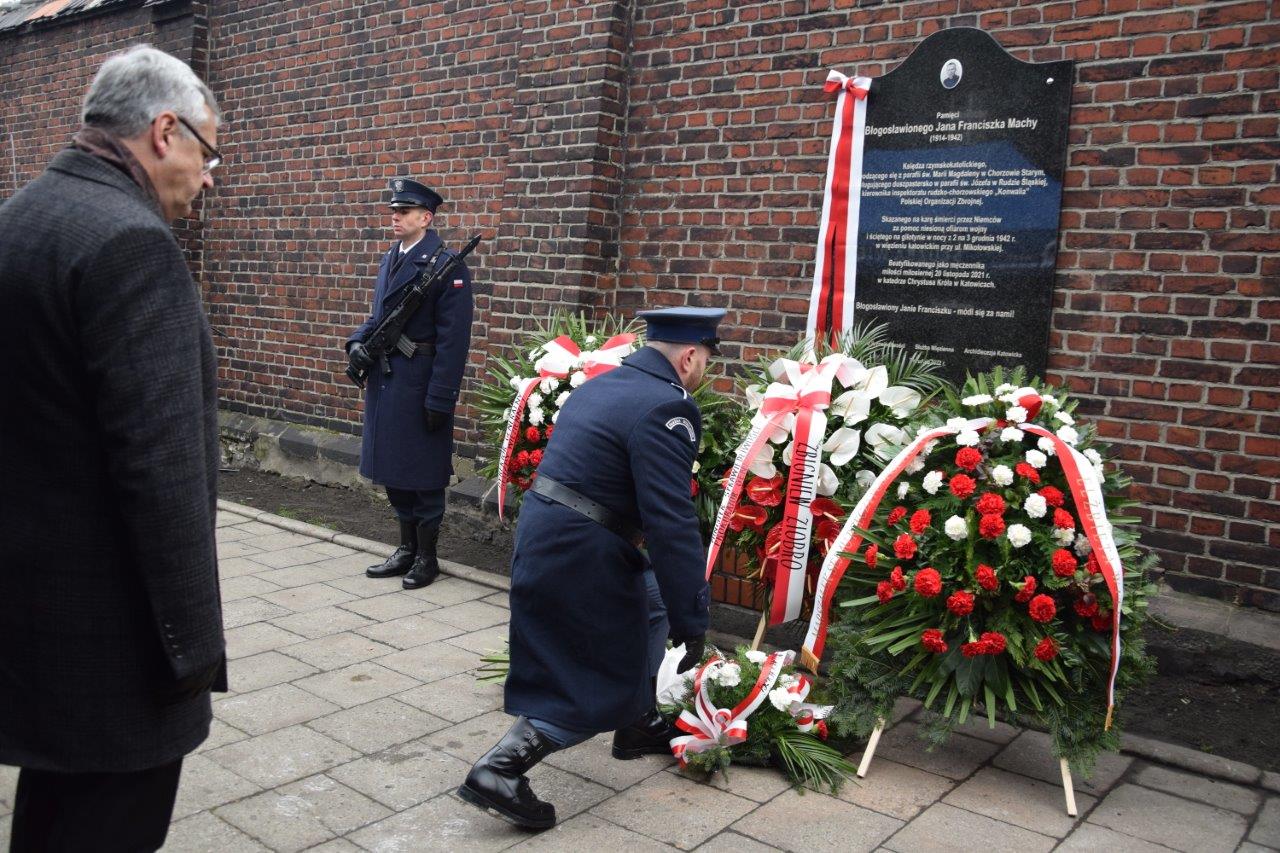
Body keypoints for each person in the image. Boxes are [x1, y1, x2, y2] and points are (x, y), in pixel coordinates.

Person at [0, 45, 226, 852]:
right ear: (163, 131)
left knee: (51, 816)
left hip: (33, 620)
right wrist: (194, 654)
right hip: (113, 647)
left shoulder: (23, 216)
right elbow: (161, 472)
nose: (208, 178)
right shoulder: (132, 245)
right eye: (207, 152)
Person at [459, 306, 724, 830]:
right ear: (690, 356)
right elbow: (670, 524)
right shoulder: (668, 408)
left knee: (649, 605)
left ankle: (639, 721)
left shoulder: (603, 385)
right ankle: (501, 769)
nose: (706, 370)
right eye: (708, 359)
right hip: (585, 553)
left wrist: (670, 607)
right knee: (587, 670)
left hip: (551, 533)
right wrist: (693, 622)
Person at [347, 178, 474, 590]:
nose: (395, 217)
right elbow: (378, 318)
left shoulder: (446, 266)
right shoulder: (391, 258)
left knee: (423, 476)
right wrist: (356, 344)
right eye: (393, 211)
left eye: (404, 211)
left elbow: (454, 344)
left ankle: (427, 556)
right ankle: (404, 549)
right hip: (387, 380)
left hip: (420, 382)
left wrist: (440, 397)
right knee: (394, 470)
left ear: (426, 217)